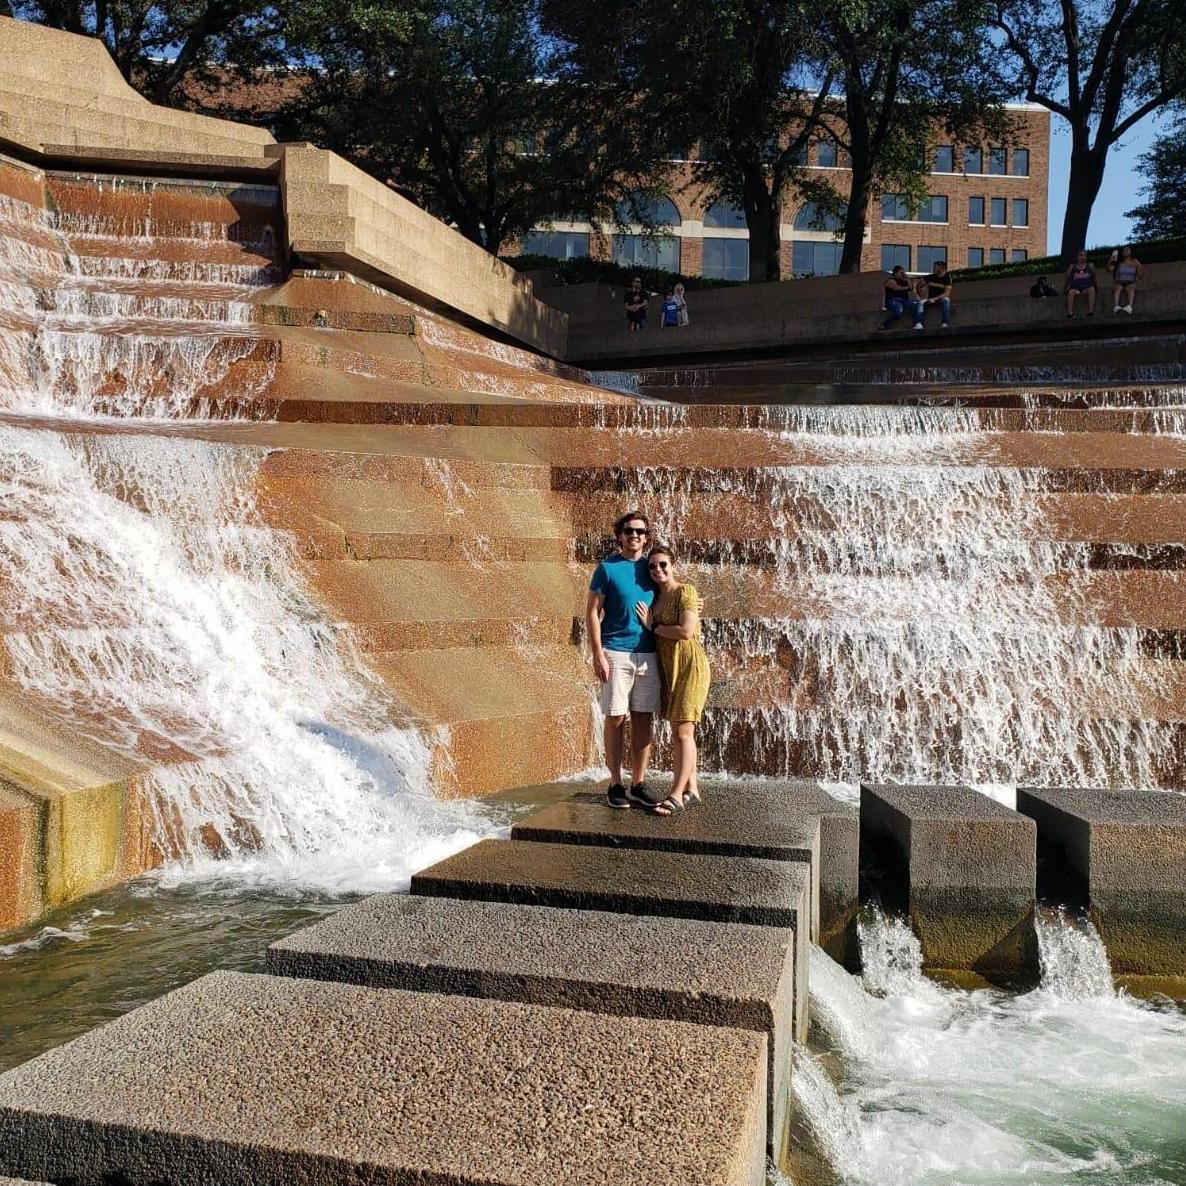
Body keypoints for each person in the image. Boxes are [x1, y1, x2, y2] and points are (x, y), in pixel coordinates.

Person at [586, 511, 664, 810]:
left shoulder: (654, 567)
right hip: (615, 651)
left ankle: (639, 783)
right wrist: (597, 653)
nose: (635, 536)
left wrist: (694, 603)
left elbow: (674, 592)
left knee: (643, 717)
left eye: (641, 532)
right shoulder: (606, 568)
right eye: (629, 531)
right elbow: (592, 611)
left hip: (648, 651)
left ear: (647, 537)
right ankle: (616, 783)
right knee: (616, 718)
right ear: (619, 535)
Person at [634, 544, 711, 816]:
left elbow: (687, 631)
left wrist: (653, 626)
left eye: (662, 564)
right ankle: (693, 789)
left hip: (690, 666)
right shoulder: (653, 599)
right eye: (652, 566)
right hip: (669, 668)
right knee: (683, 732)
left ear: (673, 564)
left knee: (682, 732)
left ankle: (676, 795)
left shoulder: (685, 592)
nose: (657, 569)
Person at [916, 260, 952, 329]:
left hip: (939, 300)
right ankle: (919, 323)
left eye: (935, 267)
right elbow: (918, 285)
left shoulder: (947, 278)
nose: (933, 269)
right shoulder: (930, 277)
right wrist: (921, 294)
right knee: (920, 302)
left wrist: (934, 299)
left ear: (941, 268)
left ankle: (944, 322)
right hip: (929, 299)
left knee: (946, 300)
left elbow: (947, 293)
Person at [879, 265, 917, 331]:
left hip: (904, 301)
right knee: (898, 311)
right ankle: (884, 325)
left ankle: (914, 324)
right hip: (892, 300)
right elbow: (897, 288)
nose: (902, 274)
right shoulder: (890, 280)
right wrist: (907, 287)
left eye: (903, 272)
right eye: (901, 273)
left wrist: (907, 279)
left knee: (915, 306)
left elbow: (911, 289)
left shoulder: (905, 281)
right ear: (896, 273)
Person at [1108, 245, 1142, 314]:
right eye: (1124, 250)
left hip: (1130, 281)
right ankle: (1116, 306)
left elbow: (1140, 276)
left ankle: (1129, 306)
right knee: (1118, 288)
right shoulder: (1120, 263)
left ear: (1131, 252)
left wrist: (1139, 266)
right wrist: (1110, 261)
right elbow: (1109, 270)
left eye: (1127, 250)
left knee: (1130, 288)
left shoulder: (1135, 262)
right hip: (1120, 282)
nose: (1125, 252)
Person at [1064, 251, 1097, 319]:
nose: (1083, 257)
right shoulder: (1072, 267)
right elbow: (1067, 279)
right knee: (1071, 291)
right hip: (1075, 288)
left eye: (1084, 255)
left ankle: (1090, 311)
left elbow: (1094, 278)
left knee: (1091, 289)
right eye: (1081, 255)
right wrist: (1065, 288)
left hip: (1086, 288)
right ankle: (1070, 313)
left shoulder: (1090, 266)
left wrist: (1096, 287)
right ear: (1077, 257)